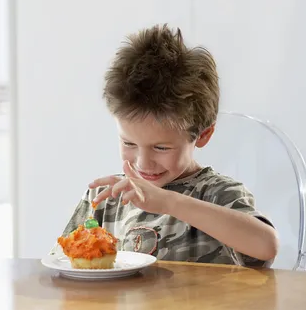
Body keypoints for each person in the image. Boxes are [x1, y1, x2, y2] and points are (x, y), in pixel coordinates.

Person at [56, 24, 278, 266]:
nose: (143, 163)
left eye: (161, 148)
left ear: (203, 135)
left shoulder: (217, 194)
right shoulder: (106, 200)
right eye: (128, 142)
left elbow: (266, 246)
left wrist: (167, 201)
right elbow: (63, 267)